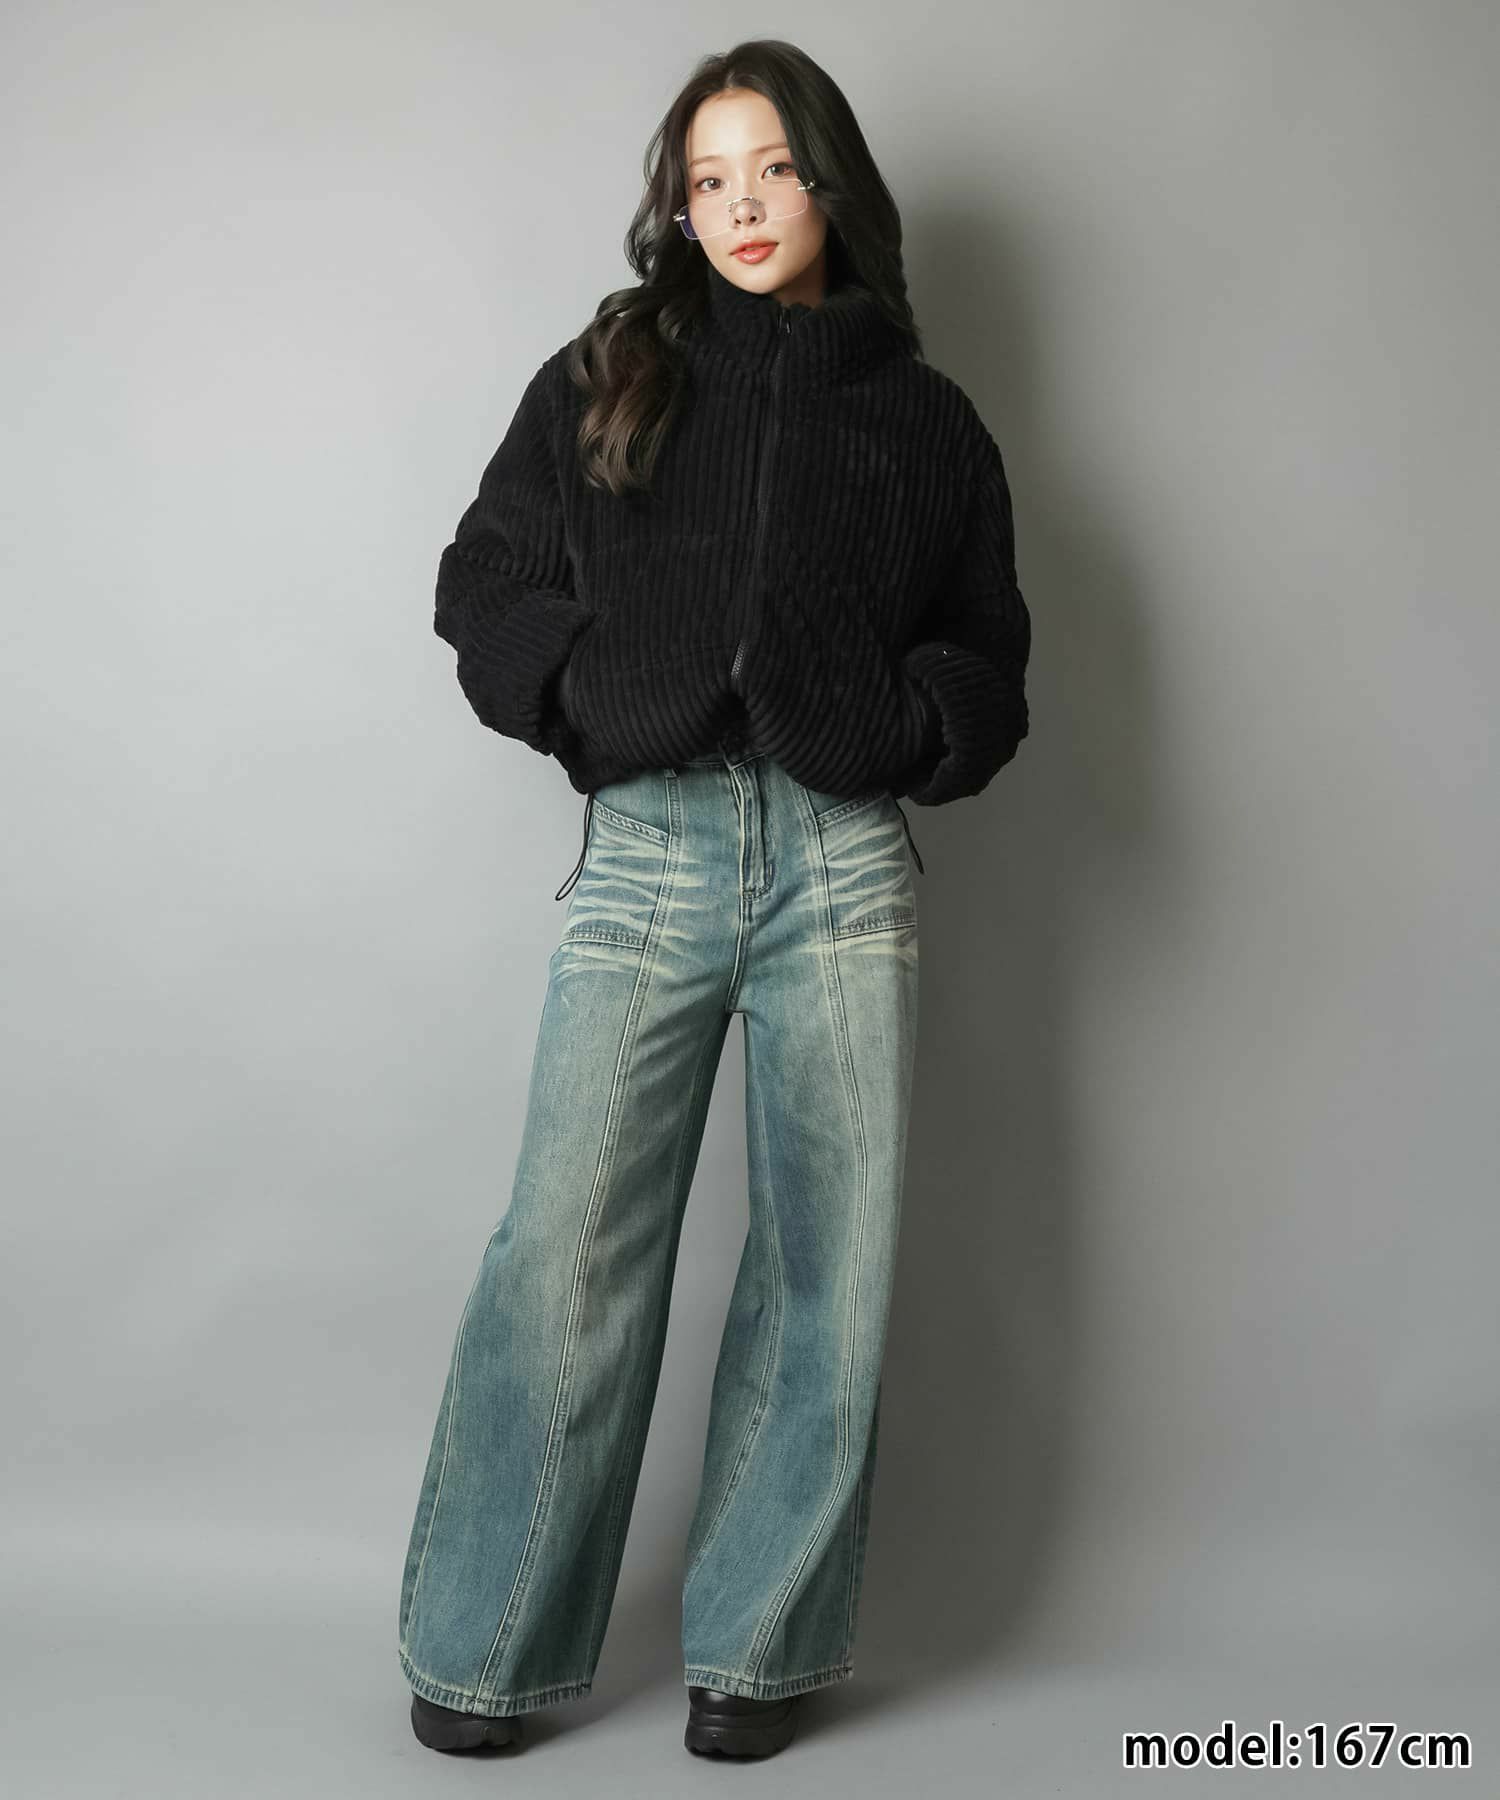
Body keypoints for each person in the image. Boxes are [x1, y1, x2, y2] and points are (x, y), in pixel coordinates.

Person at [398, 38, 1031, 1762]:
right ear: (678, 208)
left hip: (843, 864)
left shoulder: (925, 421)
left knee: (830, 1268)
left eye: (772, 168)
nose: (742, 205)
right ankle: (486, 1650)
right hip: (652, 852)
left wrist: (904, 728)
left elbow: (989, 655)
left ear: (831, 181)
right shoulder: (608, 372)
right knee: (567, 1252)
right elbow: (485, 578)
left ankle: (758, 1651)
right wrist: (590, 693)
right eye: (707, 180)